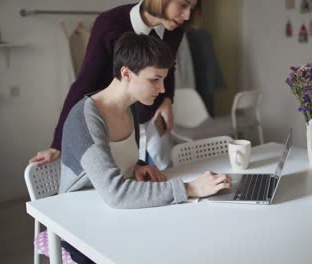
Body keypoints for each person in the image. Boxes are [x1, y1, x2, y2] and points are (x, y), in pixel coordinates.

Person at [59, 33, 231, 263]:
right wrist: (190, 188)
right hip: (81, 229)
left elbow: (114, 160)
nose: (162, 89)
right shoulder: (85, 118)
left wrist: (137, 166)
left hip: (115, 217)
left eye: (163, 80)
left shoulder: (131, 109)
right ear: (126, 73)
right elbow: (115, 193)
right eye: (154, 79)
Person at [30, 0, 201, 167]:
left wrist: (167, 100)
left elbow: (168, 68)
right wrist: (57, 144)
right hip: (116, 121)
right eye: (183, 5)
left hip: (151, 118)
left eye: (191, 8)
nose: (187, 16)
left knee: (156, 176)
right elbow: (84, 82)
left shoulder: (175, 30)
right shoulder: (109, 24)